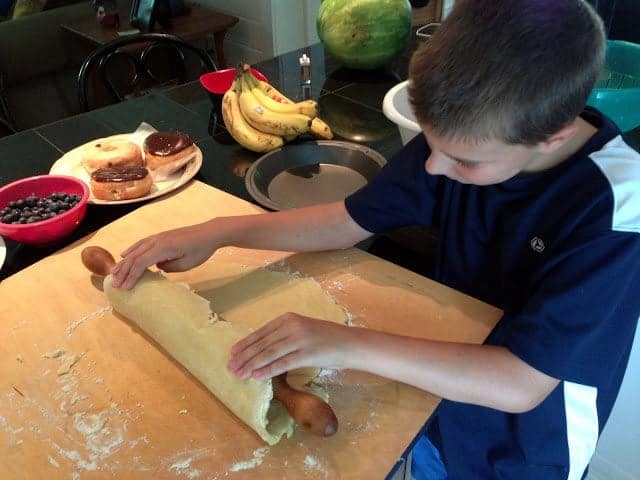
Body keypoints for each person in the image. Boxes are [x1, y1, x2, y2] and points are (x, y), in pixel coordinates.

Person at [110, 0, 640, 478]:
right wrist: (221, 232)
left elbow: (521, 383)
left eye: (462, 161)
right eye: (429, 144)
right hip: (432, 392)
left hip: (519, 449)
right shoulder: (467, 136)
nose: (433, 166)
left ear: (554, 137)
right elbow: (347, 219)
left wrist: (343, 343)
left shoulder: (617, 208)